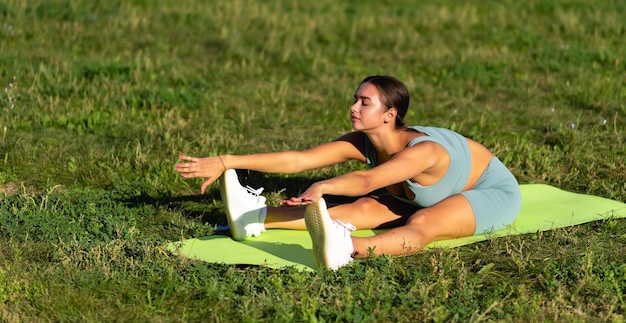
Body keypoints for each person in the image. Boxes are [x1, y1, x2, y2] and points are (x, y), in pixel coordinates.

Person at [175, 75, 522, 270]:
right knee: (355, 209)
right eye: (355, 98)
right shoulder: (365, 141)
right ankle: (255, 216)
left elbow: (368, 179)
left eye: (364, 103)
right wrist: (227, 161)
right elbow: (299, 159)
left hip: (488, 192)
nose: (353, 107)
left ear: (390, 114)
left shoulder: (425, 151)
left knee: (425, 224)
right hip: (429, 193)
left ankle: (347, 248)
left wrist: (323, 186)